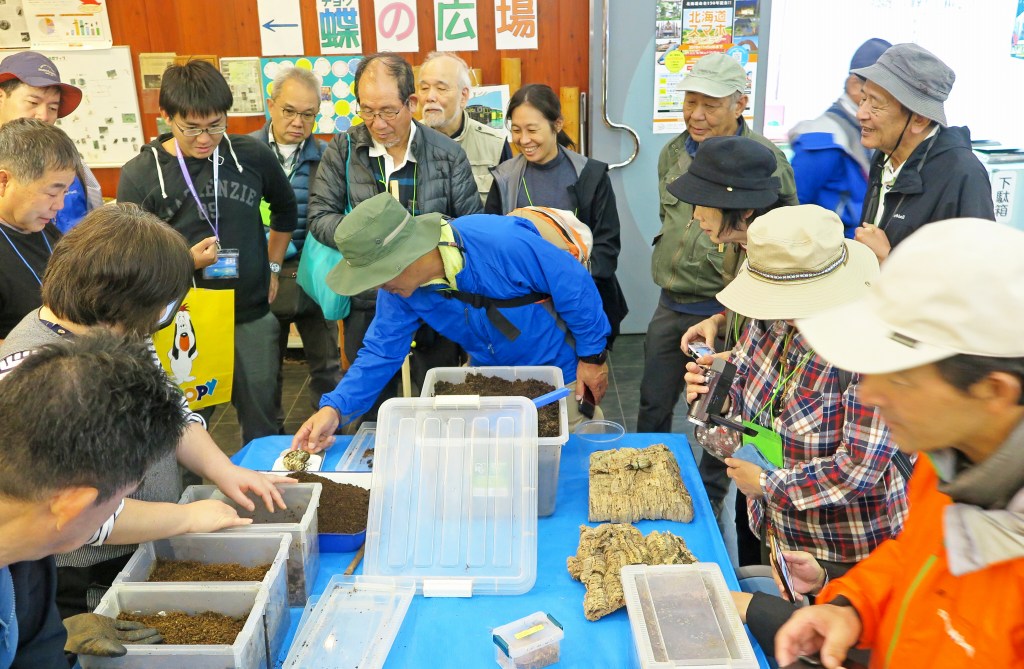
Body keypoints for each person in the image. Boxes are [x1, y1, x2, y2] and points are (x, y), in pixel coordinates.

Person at [0, 203, 292, 618]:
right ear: (128, 303)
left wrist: (222, 469)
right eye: (165, 305)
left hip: (150, 533)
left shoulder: (120, 331)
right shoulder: (42, 374)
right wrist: (183, 518)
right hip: (80, 569)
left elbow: (171, 407)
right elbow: (76, 510)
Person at [777, 218, 1024, 669]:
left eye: (903, 378)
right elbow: (918, 557)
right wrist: (850, 607)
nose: (869, 395)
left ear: (995, 391)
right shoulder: (955, 457)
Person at [293, 193, 611, 452]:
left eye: (379, 276)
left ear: (406, 255)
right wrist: (333, 409)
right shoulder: (399, 292)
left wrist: (592, 358)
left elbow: (574, 286)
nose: (378, 288)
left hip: (559, 377)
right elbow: (380, 353)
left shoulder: (500, 241)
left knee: (570, 467)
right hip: (489, 378)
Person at [683, 206, 907, 575]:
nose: (782, 310)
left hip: (845, 553)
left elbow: (858, 468)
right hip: (776, 532)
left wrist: (768, 484)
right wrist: (713, 398)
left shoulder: (869, 352)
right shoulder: (767, 323)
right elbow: (739, 401)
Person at [117, 59, 298, 446]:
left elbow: (286, 210)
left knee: (264, 423)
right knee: (183, 429)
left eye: (216, 125)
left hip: (249, 313)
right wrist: (185, 261)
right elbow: (129, 256)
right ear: (167, 117)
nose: (205, 138)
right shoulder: (141, 174)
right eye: (192, 129)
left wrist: (273, 266)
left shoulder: (250, 155)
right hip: (182, 320)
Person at [307, 52, 482, 419]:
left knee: (442, 401)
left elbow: (471, 226)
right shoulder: (343, 150)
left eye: (388, 111)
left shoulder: (447, 155)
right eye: (367, 110)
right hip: (369, 298)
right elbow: (320, 216)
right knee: (371, 406)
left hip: (436, 297)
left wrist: (423, 254)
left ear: (411, 102)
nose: (377, 123)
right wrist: (371, 244)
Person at [0, 332, 188, 669]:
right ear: (74, 506)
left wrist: (63, 644)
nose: (120, 507)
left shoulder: (28, 551)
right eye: (123, 496)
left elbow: (36, 652)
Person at [639, 52, 798, 434]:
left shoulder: (766, 161)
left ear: (739, 104)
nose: (696, 114)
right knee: (653, 401)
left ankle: (713, 490)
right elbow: (671, 220)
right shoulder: (673, 152)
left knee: (726, 413)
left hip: (731, 309)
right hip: (671, 302)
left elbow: (786, 237)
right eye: (690, 102)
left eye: (709, 105)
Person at [666, 134, 785, 566]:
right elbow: (759, 340)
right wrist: (720, 327)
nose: (695, 216)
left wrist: (738, 362)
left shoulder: (784, 265)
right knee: (750, 522)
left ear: (746, 209)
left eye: (704, 203)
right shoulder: (745, 245)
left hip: (789, 465)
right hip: (756, 450)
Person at [485, 83, 628, 346]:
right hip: (523, 304)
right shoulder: (504, 178)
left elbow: (607, 247)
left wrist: (569, 287)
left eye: (532, 129)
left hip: (580, 298)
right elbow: (490, 245)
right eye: (516, 130)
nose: (523, 140)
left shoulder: (590, 175)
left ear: (557, 124)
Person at [250, 66, 342, 418]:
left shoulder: (328, 157)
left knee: (326, 367)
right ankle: (265, 447)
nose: (298, 122)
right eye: (289, 111)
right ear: (271, 106)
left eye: (308, 114)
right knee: (263, 373)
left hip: (315, 272)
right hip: (262, 274)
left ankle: (327, 437)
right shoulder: (245, 154)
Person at [851, 43, 994, 261]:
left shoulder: (963, 174)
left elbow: (977, 275)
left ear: (919, 119)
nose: (861, 114)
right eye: (863, 99)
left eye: (876, 105)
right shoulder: (884, 155)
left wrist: (889, 260)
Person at [788, 38, 891, 237]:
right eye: (885, 91)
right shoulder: (824, 139)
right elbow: (793, 208)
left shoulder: (871, 131)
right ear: (854, 85)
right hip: (830, 257)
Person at [0, 51, 101, 233]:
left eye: (53, 107)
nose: (44, 116)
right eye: (33, 102)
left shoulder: (69, 161)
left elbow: (94, 218)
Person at [0, 118, 78, 341]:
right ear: (4, 181)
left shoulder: (48, 232)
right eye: (52, 193)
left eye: (65, 192)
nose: (59, 205)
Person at [417, 51, 511, 202]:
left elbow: (506, 209)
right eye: (424, 88)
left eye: (441, 88)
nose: (430, 97)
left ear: (464, 95)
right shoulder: (406, 141)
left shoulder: (495, 145)